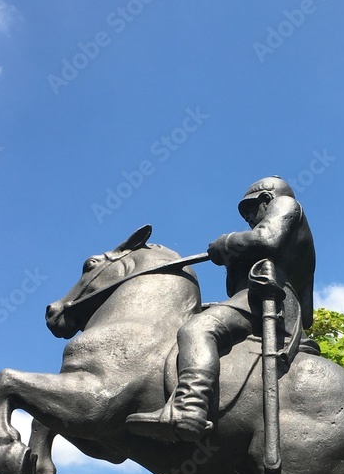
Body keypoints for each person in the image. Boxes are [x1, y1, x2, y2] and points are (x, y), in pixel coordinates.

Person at [125, 176, 316, 444]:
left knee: (197, 328)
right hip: (255, 299)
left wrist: (226, 243)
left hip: (269, 301)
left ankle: (189, 407)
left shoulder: (286, 204)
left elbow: (268, 239)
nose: (249, 218)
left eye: (250, 209)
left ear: (266, 200)